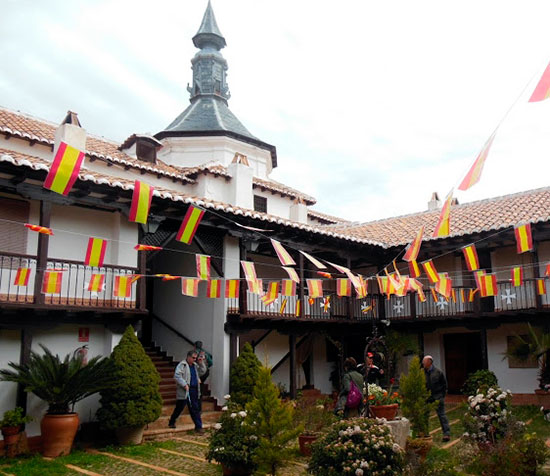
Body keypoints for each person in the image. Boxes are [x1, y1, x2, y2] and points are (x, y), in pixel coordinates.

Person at [168, 350, 207, 433]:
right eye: (193, 358)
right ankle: (172, 421)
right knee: (180, 407)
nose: (194, 359)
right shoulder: (182, 365)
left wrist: (201, 362)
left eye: (195, 358)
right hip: (185, 390)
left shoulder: (195, 366)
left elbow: (203, 371)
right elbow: (177, 375)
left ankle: (198, 427)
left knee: (195, 409)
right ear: (188, 357)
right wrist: (184, 384)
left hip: (194, 390)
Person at [422, 355, 451, 442]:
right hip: (426, 398)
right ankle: (424, 433)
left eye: (424, 362)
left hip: (437, 396)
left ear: (429, 362)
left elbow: (444, 385)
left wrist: (441, 396)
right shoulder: (421, 372)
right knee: (424, 416)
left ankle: (446, 433)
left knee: (442, 415)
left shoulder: (438, 372)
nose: (423, 363)